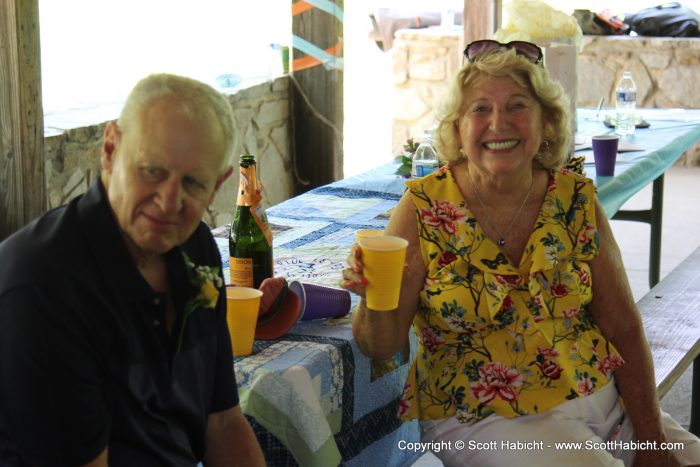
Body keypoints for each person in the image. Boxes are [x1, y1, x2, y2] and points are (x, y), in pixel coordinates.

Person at [341, 40, 700, 466]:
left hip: (596, 393)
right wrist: (374, 301)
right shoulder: (423, 207)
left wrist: (651, 439)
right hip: (481, 413)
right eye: (480, 110)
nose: (499, 123)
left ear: (545, 122)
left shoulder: (574, 197)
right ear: (457, 127)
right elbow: (381, 346)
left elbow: (622, 323)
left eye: (517, 106)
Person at [0, 73, 266, 466]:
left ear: (217, 186)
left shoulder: (195, 247)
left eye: (192, 182)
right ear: (110, 150)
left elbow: (223, 423)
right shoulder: (43, 284)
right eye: (152, 171)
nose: (168, 202)